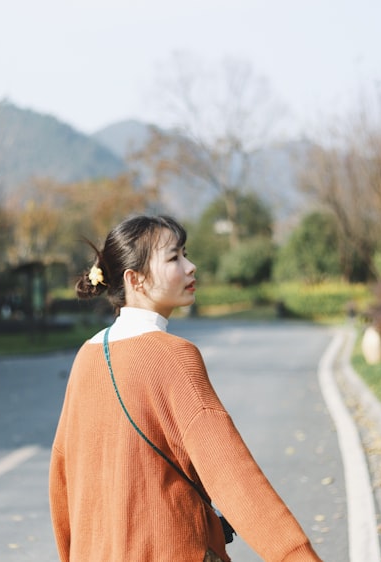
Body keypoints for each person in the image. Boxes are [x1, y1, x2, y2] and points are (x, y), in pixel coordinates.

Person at [49, 215, 322, 561]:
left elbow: (63, 478)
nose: (191, 267)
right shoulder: (174, 356)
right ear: (136, 280)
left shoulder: (86, 356)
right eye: (174, 258)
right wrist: (297, 555)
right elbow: (234, 478)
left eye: (186, 254)